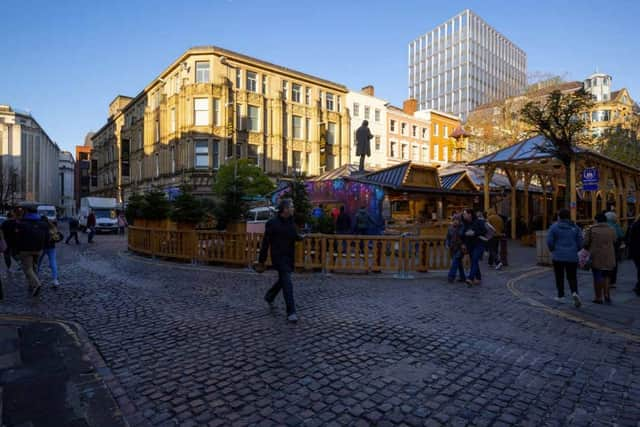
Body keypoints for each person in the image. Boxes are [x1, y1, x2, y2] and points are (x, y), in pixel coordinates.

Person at [256, 199, 304, 323]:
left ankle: (270, 296)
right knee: (287, 282)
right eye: (291, 206)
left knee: (283, 280)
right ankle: (291, 311)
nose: (293, 209)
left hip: (289, 257)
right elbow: (265, 243)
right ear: (285, 209)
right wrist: (261, 260)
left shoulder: (291, 222)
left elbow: (293, 236)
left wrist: (300, 237)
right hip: (278, 257)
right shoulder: (272, 223)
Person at [546, 208, 583, 307]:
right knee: (572, 276)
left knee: (559, 276)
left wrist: (553, 249)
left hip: (558, 256)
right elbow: (580, 242)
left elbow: (549, 241)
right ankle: (574, 292)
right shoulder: (576, 227)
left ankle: (561, 295)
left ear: (559, 217)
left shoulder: (554, 227)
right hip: (572, 256)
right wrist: (576, 249)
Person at [15, 204, 48, 297]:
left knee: (28, 269)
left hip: (25, 250)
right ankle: (31, 284)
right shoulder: (43, 223)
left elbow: (18, 238)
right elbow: (47, 237)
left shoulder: (22, 223)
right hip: (38, 249)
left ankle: (37, 284)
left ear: (27, 212)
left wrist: (16, 249)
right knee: (34, 267)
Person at [584, 212, 617, 304]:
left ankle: (598, 297)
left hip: (596, 256)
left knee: (597, 276)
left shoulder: (591, 230)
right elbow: (615, 240)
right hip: (609, 255)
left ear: (596, 220)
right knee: (607, 275)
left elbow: (586, 243)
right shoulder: (612, 229)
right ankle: (607, 294)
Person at [462, 208, 486, 286]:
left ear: (470, 214)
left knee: (475, 259)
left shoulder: (478, 221)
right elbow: (463, 234)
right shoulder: (465, 223)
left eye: (465, 214)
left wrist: (474, 233)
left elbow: (484, 231)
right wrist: (465, 236)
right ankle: (478, 278)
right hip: (470, 245)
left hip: (479, 244)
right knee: (474, 261)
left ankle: (470, 278)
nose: (463, 215)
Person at [38, 216, 61, 287]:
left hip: (41, 247)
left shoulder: (39, 226)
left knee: (38, 263)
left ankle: (36, 278)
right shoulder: (51, 226)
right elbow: (57, 235)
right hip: (51, 246)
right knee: (53, 262)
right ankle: (55, 280)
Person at [604, 211, 624, 288]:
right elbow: (621, 235)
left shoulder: (604, 225)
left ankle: (605, 280)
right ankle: (612, 281)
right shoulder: (616, 226)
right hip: (614, 247)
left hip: (604, 247)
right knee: (614, 263)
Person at [446, 214, 466, 283]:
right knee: (459, 262)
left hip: (460, 247)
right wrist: (447, 244)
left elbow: (464, 237)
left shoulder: (462, 227)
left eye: (457, 220)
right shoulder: (450, 228)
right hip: (452, 247)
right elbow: (448, 237)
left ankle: (451, 277)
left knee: (455, 261)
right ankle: (463, 277)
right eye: (454, 220)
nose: (455, 221)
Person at [627, 215, 640, 296]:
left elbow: (630, 239)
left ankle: (638, 286)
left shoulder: (635, 225)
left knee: (639, 268)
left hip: (636, 251)